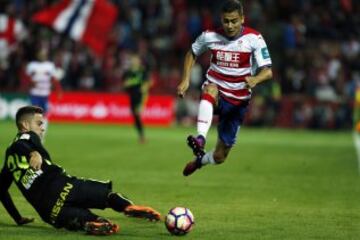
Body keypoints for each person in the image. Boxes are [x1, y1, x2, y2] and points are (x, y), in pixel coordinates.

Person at [0, 106, 161, 235]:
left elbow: (1, 190)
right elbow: (21, 145)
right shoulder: (27, 137)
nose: (42, 128)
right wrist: (32, 152)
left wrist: (17, 217)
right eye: (39, 124)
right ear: (25, 126)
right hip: (64, 187)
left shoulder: (9, 158)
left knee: (98, 222)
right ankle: (127, 207)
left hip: (49, 211)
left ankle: (89, 223)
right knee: (108, 196)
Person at [177, 0, 273, 176]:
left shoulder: (254, 39)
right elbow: (192, 52)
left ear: (242, 19)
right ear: (221, 20)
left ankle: (200, 161)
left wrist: (256, 79)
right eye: (226, 21)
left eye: (234, 21)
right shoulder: (209, 36)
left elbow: (268, 71)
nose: (230, 25)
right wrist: (185, 80)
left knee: (220, 156)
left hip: (238, 102)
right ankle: (200, 138)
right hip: (217, 91)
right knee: (210, 89)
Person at [26, 48, 63, 132]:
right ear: (37, 55)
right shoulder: (32, 65)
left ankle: (42, 133)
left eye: (43, 54)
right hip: (34, 93)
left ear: (46, 56)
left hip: (45, 94)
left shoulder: (50, 66)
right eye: (40, 54)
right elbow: (26, 78)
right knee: (34, 114)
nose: (42, 56)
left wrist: (59, 90)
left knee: (44, 114)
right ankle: (33, 132)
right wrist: (31, 83)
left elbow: (54, 79)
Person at [122, 53, 151, 143]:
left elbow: (147, 83)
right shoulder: (128, 72)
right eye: (133, 60)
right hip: (132, 96)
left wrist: (145, 87)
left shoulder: (142, 71)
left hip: (141, 96)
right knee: (135, 116)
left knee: (137, 114)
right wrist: (135, 82)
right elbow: (125, 84)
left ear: (139, 61)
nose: (134, 61)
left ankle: (142, 137)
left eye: (136, 60)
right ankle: (141, 136)